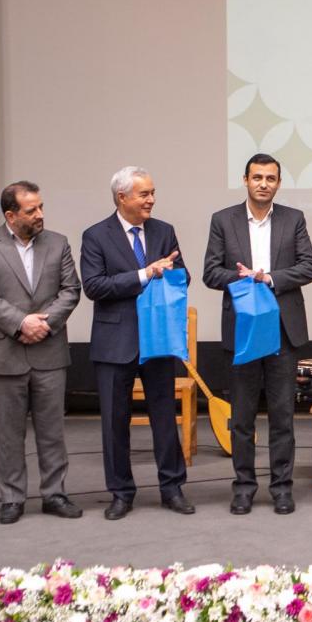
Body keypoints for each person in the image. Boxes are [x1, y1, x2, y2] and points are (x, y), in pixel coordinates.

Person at [203, 154, 312, 515]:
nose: (263, 184)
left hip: (283, 330)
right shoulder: (223, 220)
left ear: (278, 183)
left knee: (283, 416)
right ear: (245, 180)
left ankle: (282, 488)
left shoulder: (293, 218)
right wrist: (242, 278)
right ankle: (243, 488)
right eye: (257, 177)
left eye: (270, 178)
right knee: (242, 417)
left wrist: (268, 278)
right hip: (243, 330)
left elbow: (310, 266)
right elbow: (210, 272)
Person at [0, 181, 83, 525]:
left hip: (49, 350)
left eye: (41, 207)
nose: (40, 214)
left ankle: (54, 494)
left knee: (52, 430)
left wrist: (44, 323)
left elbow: (71, 289)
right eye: (32, 210)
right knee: (8, 433)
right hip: (4, 353)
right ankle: (12, 498)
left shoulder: (58, 243)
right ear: (10, 215)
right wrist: (20, 323)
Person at [80, 166, 193, 519]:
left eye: (153, 193)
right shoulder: (96, 235)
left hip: (157, 338)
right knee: (115, 422)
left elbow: (184, 275)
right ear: (122, 197)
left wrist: (169, 272)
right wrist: (145, 273)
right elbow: (94, 286)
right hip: (115, 341)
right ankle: (121, 493)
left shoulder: (164, 230)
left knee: (164, 417)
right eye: (144, 194)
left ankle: (172, 488)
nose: (151, 200)